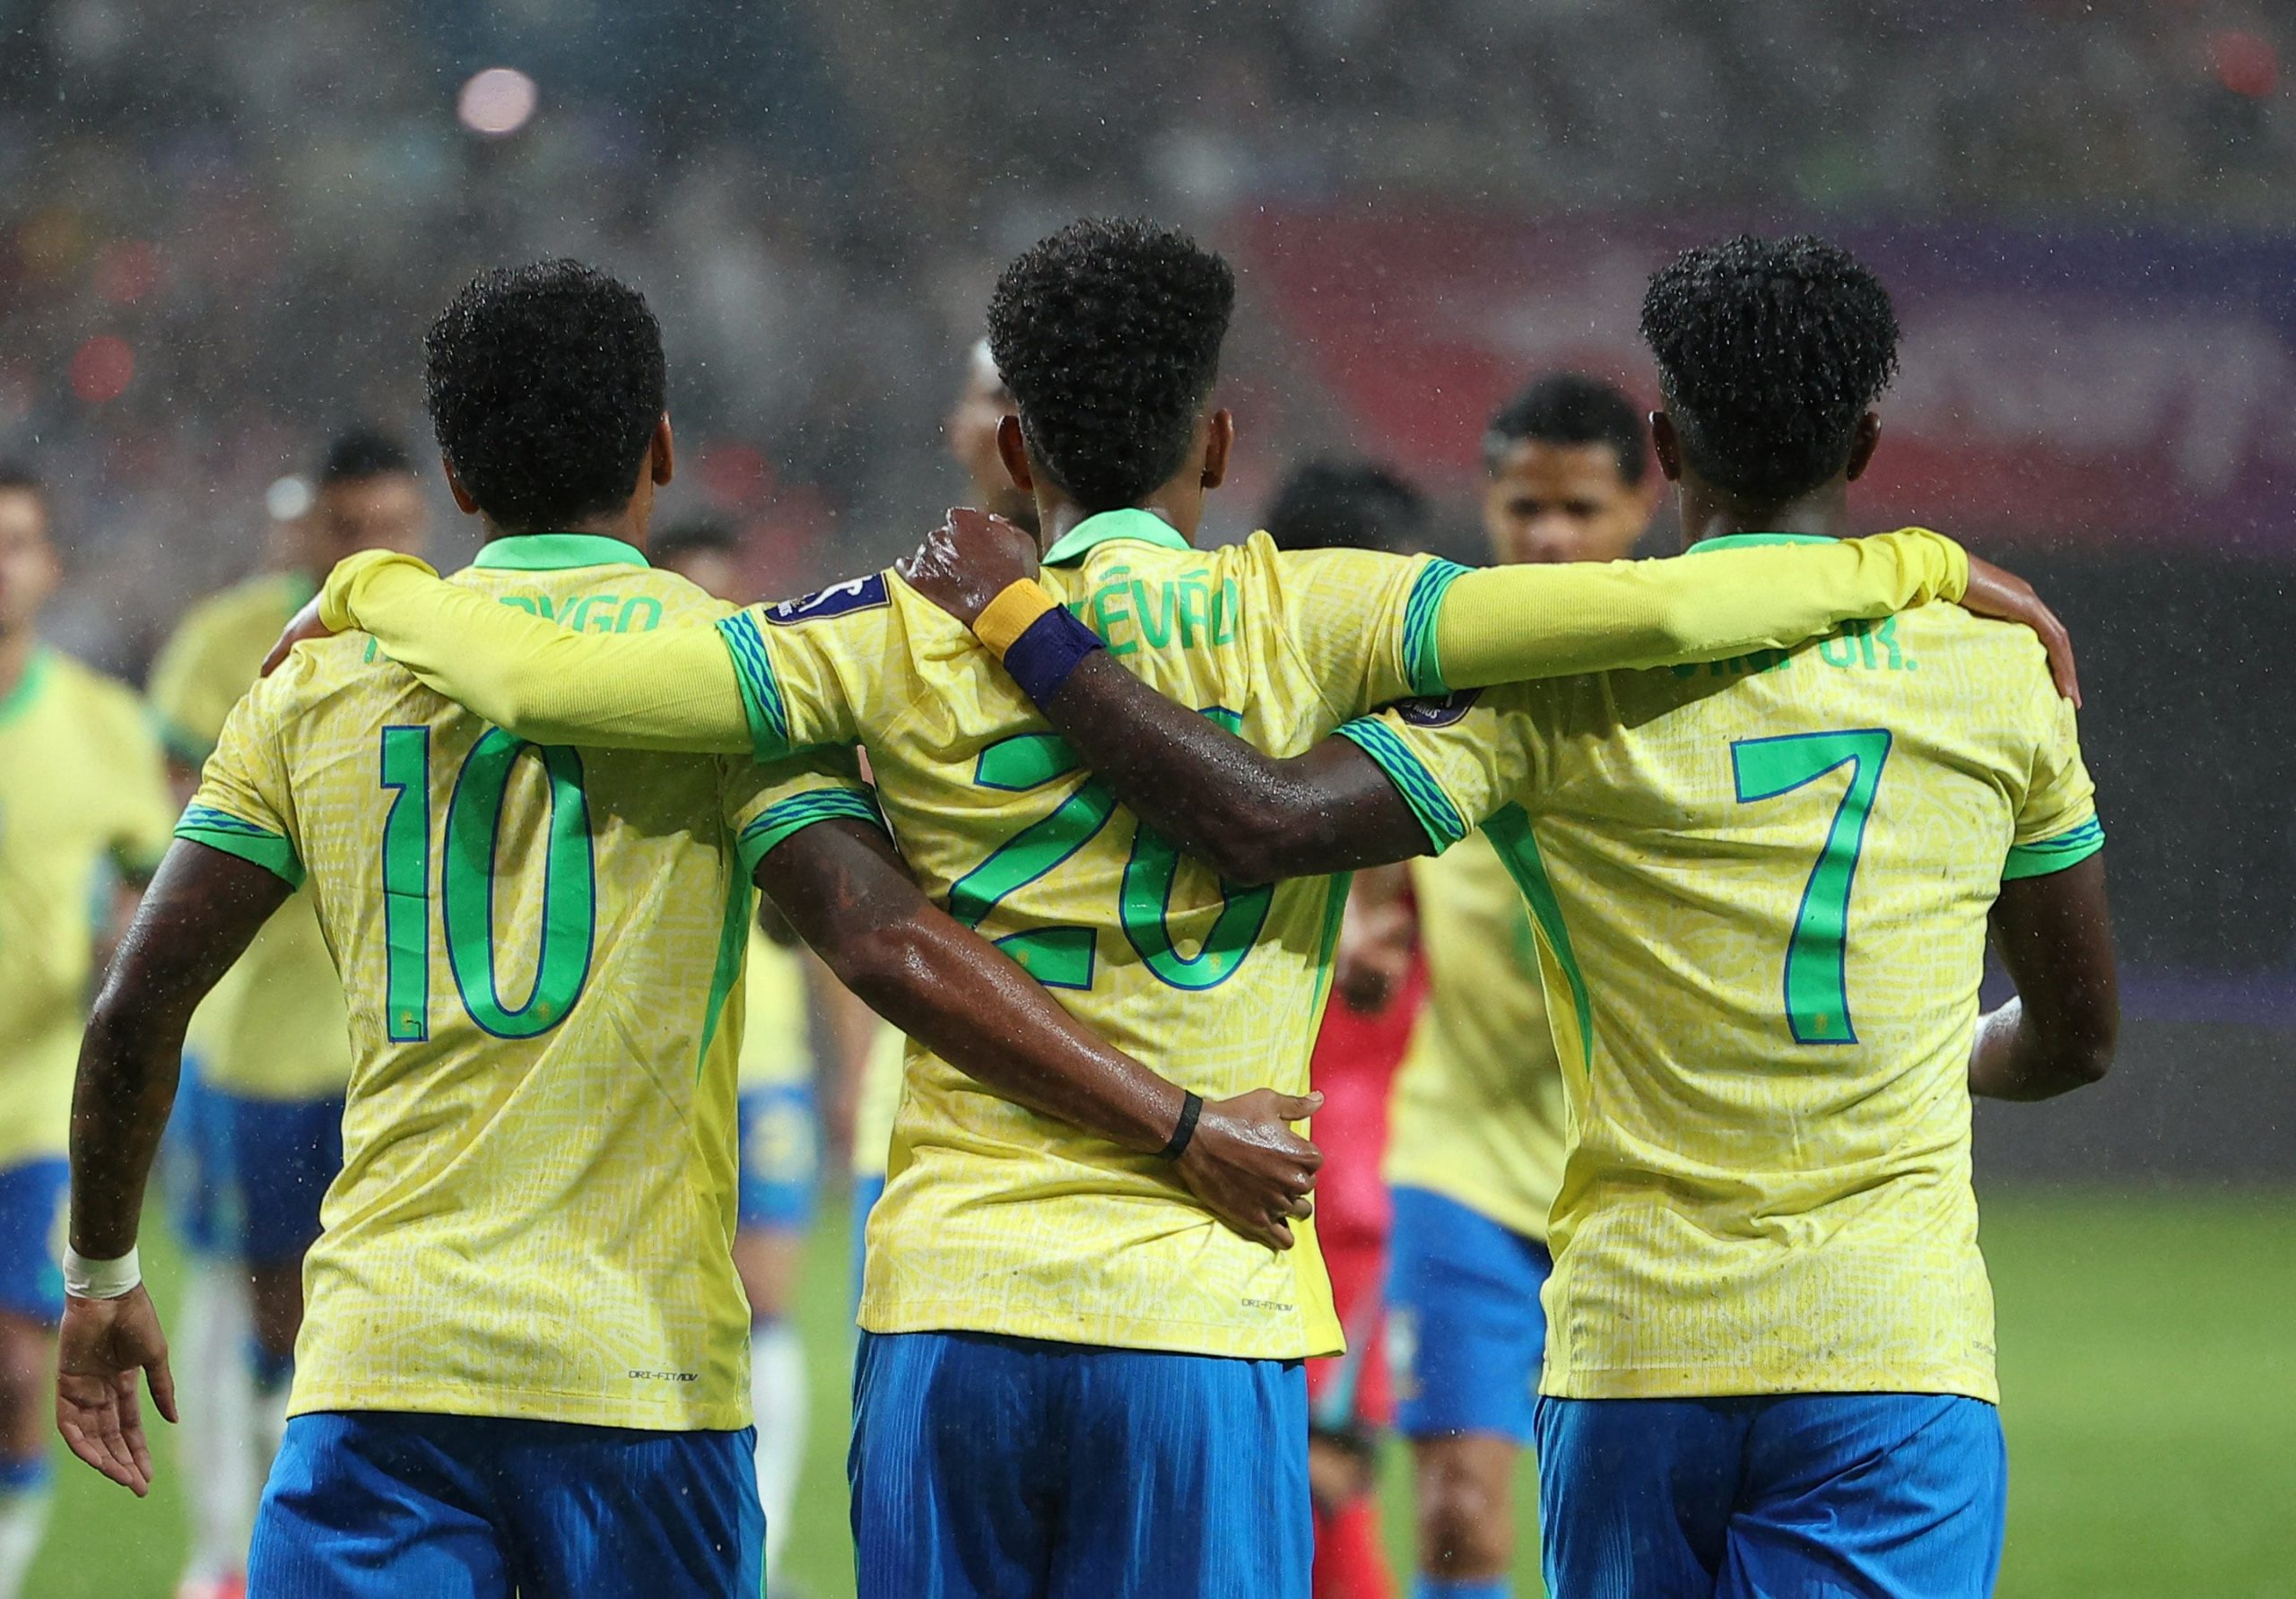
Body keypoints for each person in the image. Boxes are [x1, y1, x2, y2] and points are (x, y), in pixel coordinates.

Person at [286, 217, 2020, 1596]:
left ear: (1013, 440)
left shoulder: (881, 624)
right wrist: (1915, 562)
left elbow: (554, 682)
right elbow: (1660, 612)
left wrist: (376, 585)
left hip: (957, 1298)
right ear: (1219, 434)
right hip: (1201, 1301)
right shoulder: (1333, 615)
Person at [54, 260, 1318, 1597]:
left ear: (458, 480)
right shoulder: (733, 673)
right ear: (658, 450)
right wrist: (1173, 1117)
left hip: (384, 1366)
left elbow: (140, 999)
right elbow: (884, 943)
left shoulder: (314, 683)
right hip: (642, 1378)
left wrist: (101, 1271)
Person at [902, 233, 2118, 1599]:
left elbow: (1267, 817)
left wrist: (1026, 623)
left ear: (1663, 446)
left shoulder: (1555, 678)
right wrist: (1948, 1051)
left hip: (1638, 1347)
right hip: (1890, 1341)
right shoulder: (2001, 676)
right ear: (1868, 441)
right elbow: (2077, 1036)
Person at [1356, 374, 1664, 1597]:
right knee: (1460, 1514)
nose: (1548, 535)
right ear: (1485, 500)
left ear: (1641, 507)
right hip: (1463, 1163)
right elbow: (1375, 867)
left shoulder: (1681, 669)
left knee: (1632, 1531)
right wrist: (1367, 927)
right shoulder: (1439, 674)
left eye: (1580, 509)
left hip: (1640, 1182)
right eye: (1525, 505)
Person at [146, 428, 431, 1599]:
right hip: (260, 1041)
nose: (369, 549)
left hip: (402, 1045)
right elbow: (181, 831)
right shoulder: (228, 643)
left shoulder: (452, 638)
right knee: (266, 1298)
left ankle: (298, 1543)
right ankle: (239, 1554)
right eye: (348, 528)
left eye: (392, 527)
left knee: (373, 1313)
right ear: (306, 527)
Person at [0, 465, 176, 1599]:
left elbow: (158, 891)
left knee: (16, 1369)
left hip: (29, 1102)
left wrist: (121, 932)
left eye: (15, 541)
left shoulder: (104, 724)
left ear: (51, 564)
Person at [1259, 461, 1432, 1599]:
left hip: (1354, 1195)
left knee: (1318, 1498)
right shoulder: (1248, 738)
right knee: (1258, 1504)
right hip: (1254, 1174)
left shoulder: (1448, 753)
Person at [652, 513, 831, 1584]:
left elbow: (822, 916)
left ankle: (753, 1544)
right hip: (657, 1068)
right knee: (663, 1300)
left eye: (722, 594)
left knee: (765, 1296)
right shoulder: (621, 724)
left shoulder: (771, 718)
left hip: (761, 1066)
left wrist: (854, 1064)